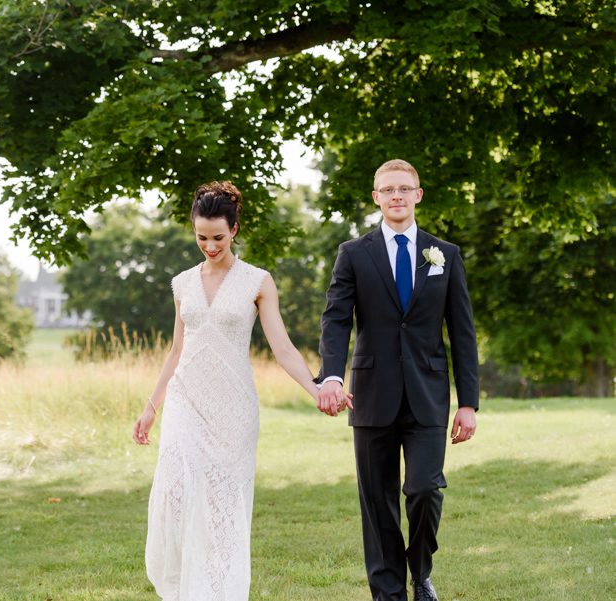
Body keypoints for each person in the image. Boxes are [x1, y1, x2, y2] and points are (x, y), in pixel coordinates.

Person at [133, 181, 345, 601]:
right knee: (174, 495)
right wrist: (151, 407)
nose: (209, 245)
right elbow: (177, 349)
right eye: (200, 237)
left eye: (217, 237)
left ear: (234, 229)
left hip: (233, 408)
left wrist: (316, 388)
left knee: (222, 508)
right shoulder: (182, 283)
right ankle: (181, 588)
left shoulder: (257, 282)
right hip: (185, 403)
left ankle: (218, 591)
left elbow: (281, 347)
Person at [314, 159, 479, 601]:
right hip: (371, 395)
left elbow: (462, 331)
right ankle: (388, 594)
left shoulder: (445, 254)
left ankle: (421, 569)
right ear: (376, 198)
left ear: (418, 195)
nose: (396, 197)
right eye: (387, 190)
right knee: (378, 504)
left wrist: (469, 402)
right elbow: (335, 319)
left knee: (425, 489)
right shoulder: (353, 254)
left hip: (428, 396)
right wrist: (331, 375)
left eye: (404, 189)